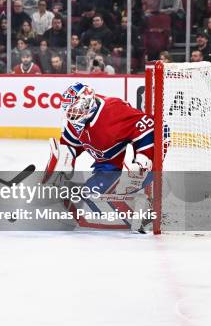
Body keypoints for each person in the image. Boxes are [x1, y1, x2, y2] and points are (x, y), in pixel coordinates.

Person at [43, 83, 155, 230]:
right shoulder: (75, 122)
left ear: (87, 103)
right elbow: (70, 145)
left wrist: (143, 161)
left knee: (133, 177)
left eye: (74, 109)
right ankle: (126, 202)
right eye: (68, 110)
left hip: (124, 150)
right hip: (107, 161)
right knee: (88, 194)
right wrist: (62, 165)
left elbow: (151, 127)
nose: (71, 114)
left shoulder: (113, 111)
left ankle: (147, 210)